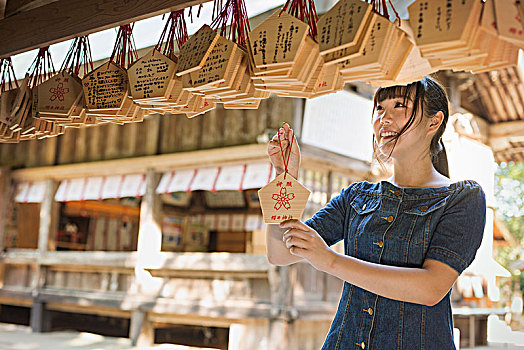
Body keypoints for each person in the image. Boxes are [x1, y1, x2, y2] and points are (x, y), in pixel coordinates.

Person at [265, 76, 486, 349]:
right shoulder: (356, 197)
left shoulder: (462, 198)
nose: (385, 118)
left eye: (399, 106)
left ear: (434, 122)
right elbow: (280, 252)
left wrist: (331, 261)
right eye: (380, 108)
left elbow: (431, 287)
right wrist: (283, 176)